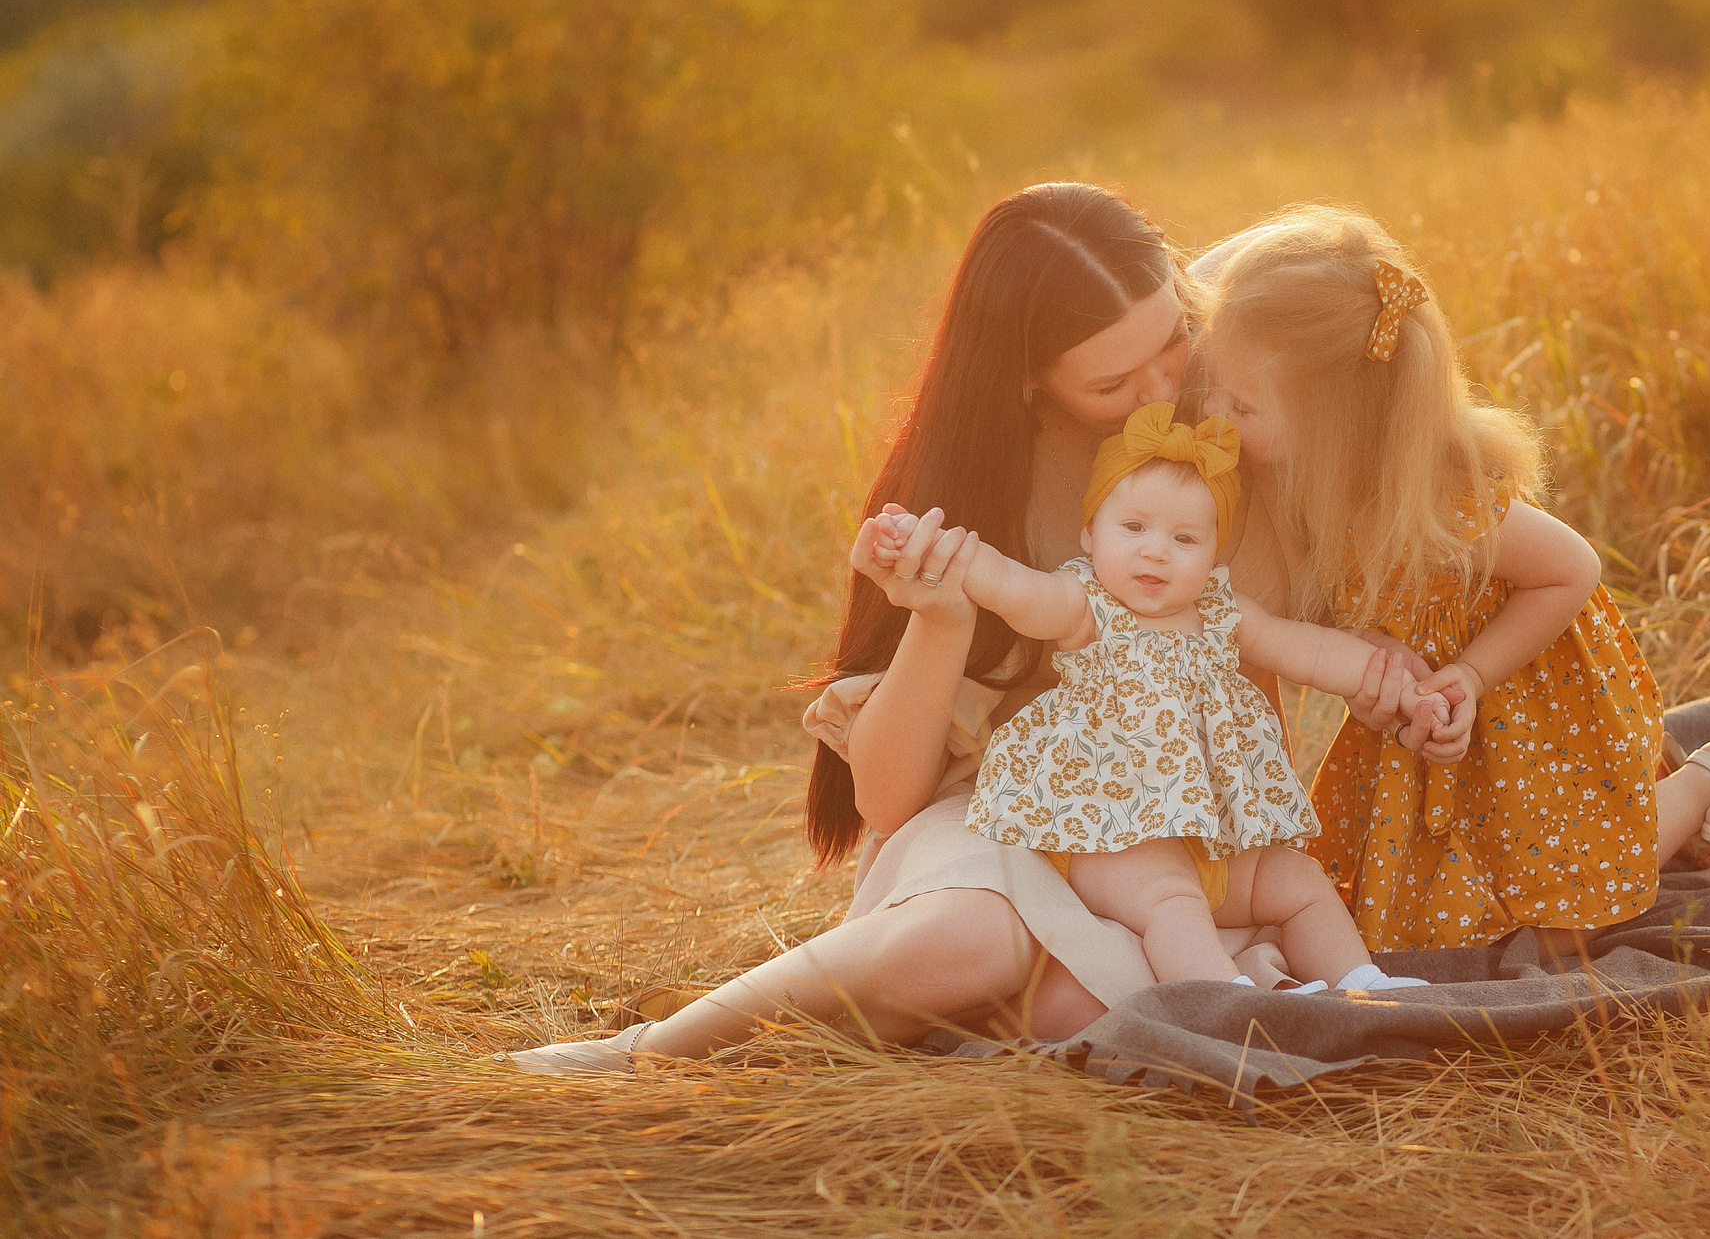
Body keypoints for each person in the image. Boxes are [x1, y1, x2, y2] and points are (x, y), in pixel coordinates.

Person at [504, 183, 1432, 1076]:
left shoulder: (1229, 408)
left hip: (1177, 830)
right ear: (1030, 380)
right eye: (1114, 378)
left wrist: (1420, 677)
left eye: (1173, 337)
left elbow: (1363, 393)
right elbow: (888, 803)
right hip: (999, 813)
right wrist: (941, 623)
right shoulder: (961, 491)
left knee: (1106, 994)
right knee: (971, 944)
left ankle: (986, 1007)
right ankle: (650, 1049)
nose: (1164, 386)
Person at [1195, 206, 1710, 954]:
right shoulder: (1300, 487)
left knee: (1559, 925)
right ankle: (1644, 822)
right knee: (1416, 927)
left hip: (1525, 702)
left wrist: (1469, 672)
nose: (1215, 416)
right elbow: (1337, 612)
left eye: (1241, 405)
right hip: (1437, 735)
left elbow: (1571, 570)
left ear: (1334, 422)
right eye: (1215, 390)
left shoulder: (1442, 501)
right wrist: (1373, 662)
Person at [867, 404, 1438, 992]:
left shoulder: (1222, 612)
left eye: (1184, 538)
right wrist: (933, 547)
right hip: (1112, 836)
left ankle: (1364, 983)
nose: (1155, 551)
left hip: (1216, 836)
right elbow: (1012, 587)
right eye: (1133, 528)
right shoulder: (1087, 605)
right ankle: (1230, 1004)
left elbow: (1312, 653)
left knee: (1301, 884)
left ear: (1213, 553)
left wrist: (1393, 681)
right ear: (1090, 534)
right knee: (1174, 903)